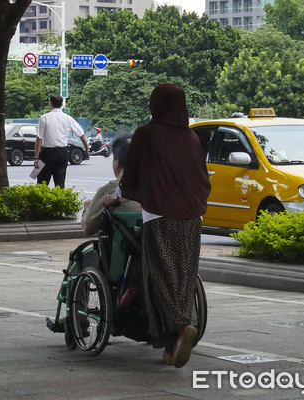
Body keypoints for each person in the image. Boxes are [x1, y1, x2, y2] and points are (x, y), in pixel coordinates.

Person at [119, 83, 211, 368]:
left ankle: (181, 328)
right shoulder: (192, 138)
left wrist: (118, 196)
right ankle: (176, 341)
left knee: (159, 277)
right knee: (183, 279)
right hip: (192, 219)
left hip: (158, 217)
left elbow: (131, 177)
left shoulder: (146, 135)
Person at [81, 135, 140, 236]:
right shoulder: (159, 187)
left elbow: (88, 229)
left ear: (117, 163)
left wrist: (87, 209)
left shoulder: (109, 190)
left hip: (123, 250)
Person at [33, 95, 89, 188]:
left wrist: (36, 157)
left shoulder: (44, 118)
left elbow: (39, 139)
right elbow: (81, 134)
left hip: (47, 153)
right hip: (62, 153)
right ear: (61, 105)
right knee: (60, 183)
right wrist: (86, 147)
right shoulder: (68, 118)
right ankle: (59, 201)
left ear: (50, 104)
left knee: (42, 182)